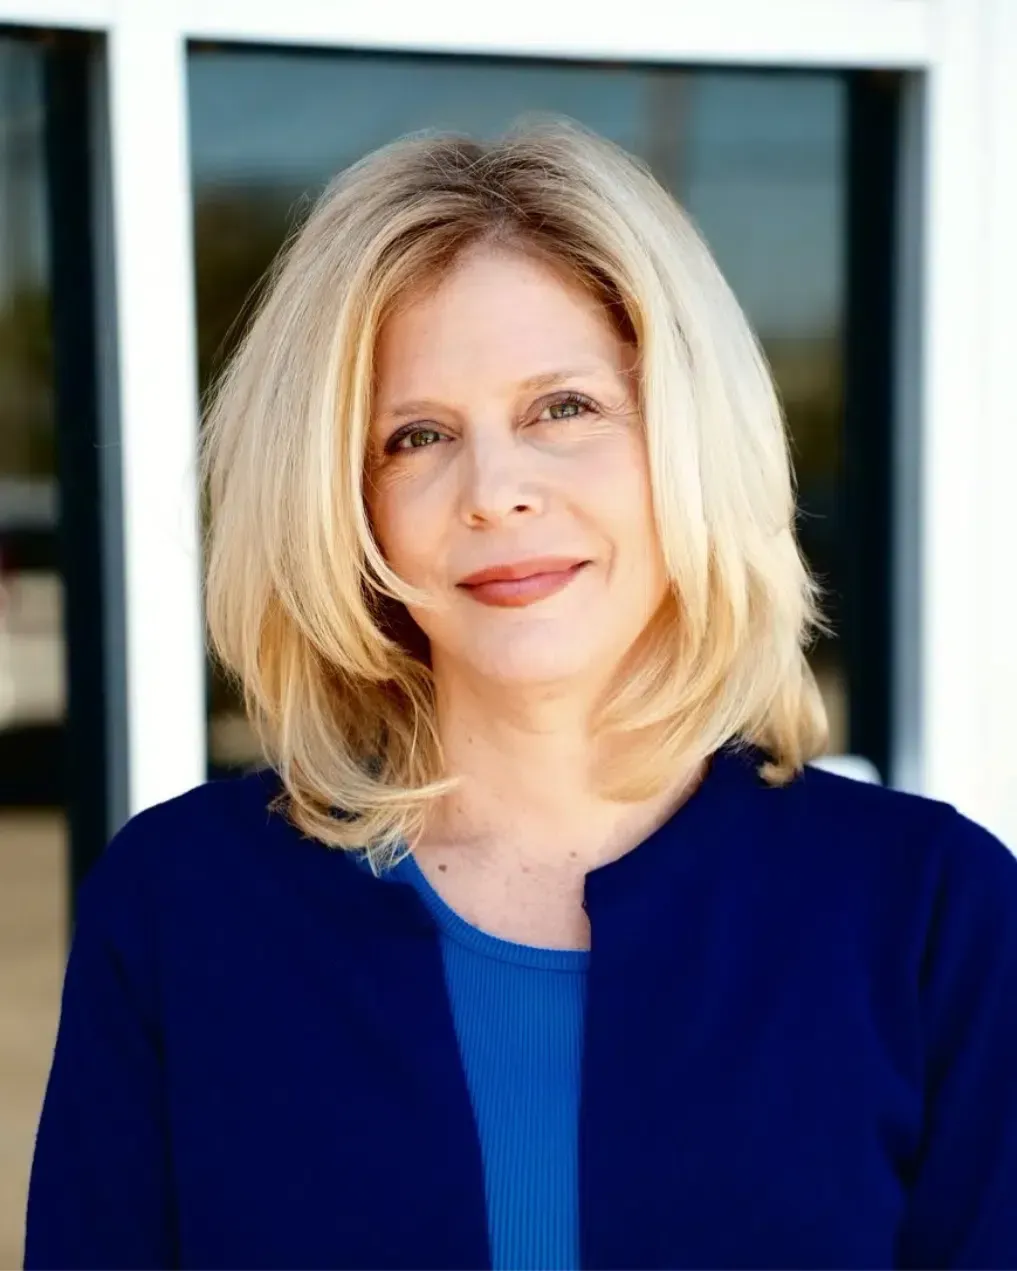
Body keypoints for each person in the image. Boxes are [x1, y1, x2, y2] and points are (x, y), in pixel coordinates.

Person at [23, 119, 1017, 1271]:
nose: (496, 490)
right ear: (346, 504)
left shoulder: (930, 911)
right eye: (417, 435)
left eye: (564, 408)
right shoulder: (179, 906)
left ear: (688, 437)